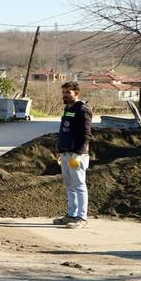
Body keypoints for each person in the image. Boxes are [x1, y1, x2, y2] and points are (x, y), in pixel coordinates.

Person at [53, 81, 92, 229]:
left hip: (77, 155)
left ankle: (81, 218)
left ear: (76, 93)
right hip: (65, 153)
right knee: (69, 185)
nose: (65, 95)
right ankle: (71, 215)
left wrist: (78, 153)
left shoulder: (83, 109)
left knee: (79, 185)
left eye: (68, 92)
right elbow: (65, 130)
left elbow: (86, 134)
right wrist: (60, 149)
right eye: (64, 92)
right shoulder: (68, 109)